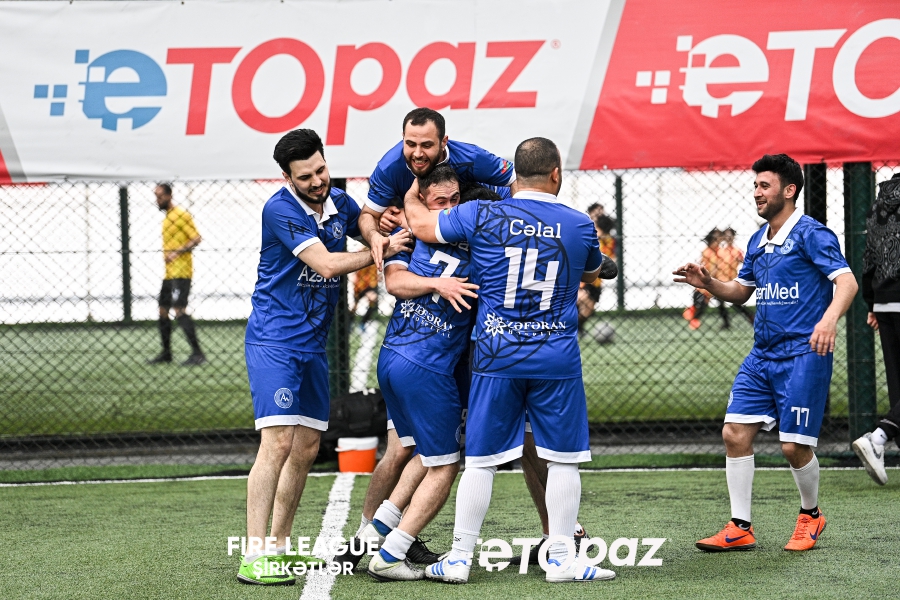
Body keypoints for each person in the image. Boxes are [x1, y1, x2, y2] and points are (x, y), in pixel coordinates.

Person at [405, 137, 615, 584]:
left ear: (515, 175)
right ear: (556, 174)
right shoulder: (579, 224)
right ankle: (562, 557)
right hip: (555, 358)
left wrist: (408, 190)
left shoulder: (482, 214)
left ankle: (459, 558)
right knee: (562, 459)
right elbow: (594, 269)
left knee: (481, 461)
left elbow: (421, 225)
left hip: (495, 356)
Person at [238, 129, 410, 586]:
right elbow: (327, 264)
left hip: (312, 346)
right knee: (277, 443)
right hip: (275, 343)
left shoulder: (337, 202)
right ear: (287, 177)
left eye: (320, 170)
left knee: (308, 447)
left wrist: (383, 226)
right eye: (305, 176)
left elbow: (367, 221)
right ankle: (253, 554)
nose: (317, 181)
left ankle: (279, 546)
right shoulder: (279, 209)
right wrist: (380, 250)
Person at [674, 153, 857, 553]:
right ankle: (740, 526)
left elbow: (847, 282)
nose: (756, 192)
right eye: (755, 185)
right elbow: (741, 291)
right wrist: (708, 283)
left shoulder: (813, 234)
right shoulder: (757, 240)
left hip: (804, 354)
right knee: (734, 433)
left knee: (793, 447)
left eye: (764, 185)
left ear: (789, 191)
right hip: (762, 356)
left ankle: (811, 515)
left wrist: (828, 321)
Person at [366, 165, 480, 581]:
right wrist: (438, 285)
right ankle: (391, 553)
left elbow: (396, 279)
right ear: (425, 201)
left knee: (419, 452)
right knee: (446, 464)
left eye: (454, 201)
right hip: (426, 368)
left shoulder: (414, 232)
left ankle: (369, 536)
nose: (448, 209)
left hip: (394, 359)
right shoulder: (425, 236)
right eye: (440, 201)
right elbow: (394, 282)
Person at [357, 107, 514, 271]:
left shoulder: (472, 157)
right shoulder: (388, 169)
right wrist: (374, 236)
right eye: (410, 144)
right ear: (403, 138)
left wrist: (518, 224)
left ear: (443, 142)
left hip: (480, 230)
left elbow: (517, 180)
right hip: (423, 237)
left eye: (426, 145)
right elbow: (368, 215)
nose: (418, 154)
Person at [853, 172, 900, 485]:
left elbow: (869, 255)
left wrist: (873, 302)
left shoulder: (881, 200)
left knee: (898, 385)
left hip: (885, 300)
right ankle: (878, 438)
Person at [148, 183, 206, 366]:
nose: (157, 200)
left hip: (181, 272)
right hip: (169, 274)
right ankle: (166, 353)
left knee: (179, 309)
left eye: (160, 196)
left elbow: (196, 238)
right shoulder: (167, 218)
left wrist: (176, 253)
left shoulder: (181, 215)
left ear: (169, 195)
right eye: (156, 196)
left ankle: (198, 353)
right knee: (163, 310)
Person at [715, 227, 755, 328]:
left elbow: (745, 262)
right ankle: (726, 322)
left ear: (733, 237)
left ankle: (750, 316)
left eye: (730, 236)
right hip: (721, 280)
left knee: (736, 303)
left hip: (732, 280)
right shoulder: (720, 251)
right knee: (720, 302)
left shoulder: (737, 251)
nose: (728, 238)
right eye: (726, 236)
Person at [682, 229, 721, 330]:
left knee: (712, 302)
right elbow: (702, 264)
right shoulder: (707, 251)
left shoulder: (719, 251)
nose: (719, 240)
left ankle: (693, 317)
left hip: (716, 281)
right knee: (701, 302)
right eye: (716, 238)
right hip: (706, 280)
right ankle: (693, 316)